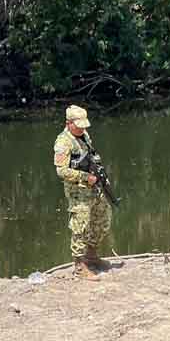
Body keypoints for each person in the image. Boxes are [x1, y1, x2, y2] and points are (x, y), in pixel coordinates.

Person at [53, 105, 114, 281]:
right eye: (78, 125)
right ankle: (79, 266)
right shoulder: (63, 142)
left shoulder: (84, 136)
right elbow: (61, 171)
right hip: (78, 192)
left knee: (102, 219)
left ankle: (92, 256)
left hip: (94, 188)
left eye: (83, 125)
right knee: (80, 227)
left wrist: (99, 175)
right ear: (68, 123)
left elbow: (91, 157)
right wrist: (85, 177)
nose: (82, 128)